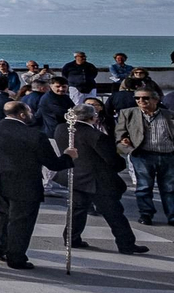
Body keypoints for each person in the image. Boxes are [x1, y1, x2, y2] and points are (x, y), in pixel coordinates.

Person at [0, 101, 77, 269]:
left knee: (4, 213)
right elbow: (53, 164)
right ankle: (15, 257)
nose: (32, 115)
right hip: (25, 184)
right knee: (21, 222)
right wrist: (68, 156)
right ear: (22, 114)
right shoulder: (35, 135)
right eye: (30, 112)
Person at [56, 105, 147, 254]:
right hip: (97, 180)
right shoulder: (96, 135)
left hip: (74, 176)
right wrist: (120, 165)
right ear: (93, 118)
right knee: (114, 213)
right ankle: (126, 243)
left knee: (77, 209)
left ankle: (71, 238)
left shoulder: (61, 128)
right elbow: (112, 160)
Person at [115, 88, 174, 226]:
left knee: (169, 188)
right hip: (143, 156)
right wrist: (129, 149)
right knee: (144, 187)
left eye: (145, 98)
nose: (141, 101)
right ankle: (146, 214)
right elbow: (119, 136)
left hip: (168, 156)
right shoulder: (128, 113)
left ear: (156, 99)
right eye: (137, 98)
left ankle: (172, 216)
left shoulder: (168, 114)